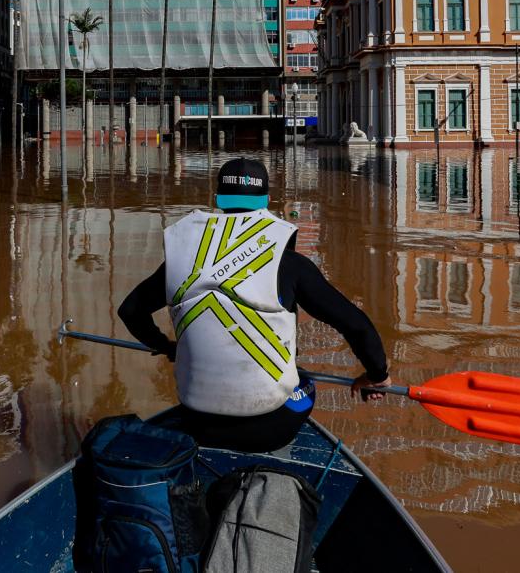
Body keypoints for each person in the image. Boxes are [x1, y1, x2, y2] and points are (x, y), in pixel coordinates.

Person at [118, 157, 390, 453]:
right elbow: (356, 325)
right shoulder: (290, 263)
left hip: (196, 422)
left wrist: (166, 345)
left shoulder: (182, 261)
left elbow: (130, 311)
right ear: (265, 201)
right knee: (305, 380)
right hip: (269, 430)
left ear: (218, 199)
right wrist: (377, 376)